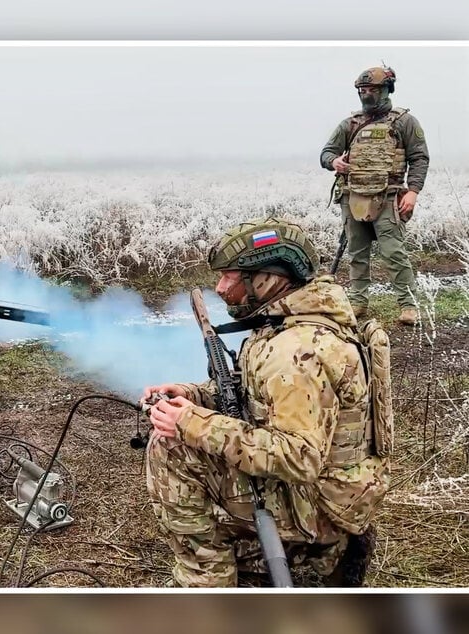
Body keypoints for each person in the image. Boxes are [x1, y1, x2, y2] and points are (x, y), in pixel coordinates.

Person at [142, 218, 388, 587]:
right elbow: (256, 397)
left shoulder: (295, 351)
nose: (220, 288)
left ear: (268, 279)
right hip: (337, 491)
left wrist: (191, 423)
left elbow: (298, 456)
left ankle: (206, 581)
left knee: (171, 447)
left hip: (320, 505)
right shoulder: (293, 321)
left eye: (231, 277)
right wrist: (193, 395)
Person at [320, 65, 430, 326]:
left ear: (386, 90)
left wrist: (413, 192)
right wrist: (335, 162)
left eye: (372, 90)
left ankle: (407, 304)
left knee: (394, 253)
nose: (366, 94)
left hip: (389, 196)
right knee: (357, 253)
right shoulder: (350, 124)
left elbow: (419, 158)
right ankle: (358, 302)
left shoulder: (404, 121)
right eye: (362, 90)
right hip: (353, 196)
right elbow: (326, 153)